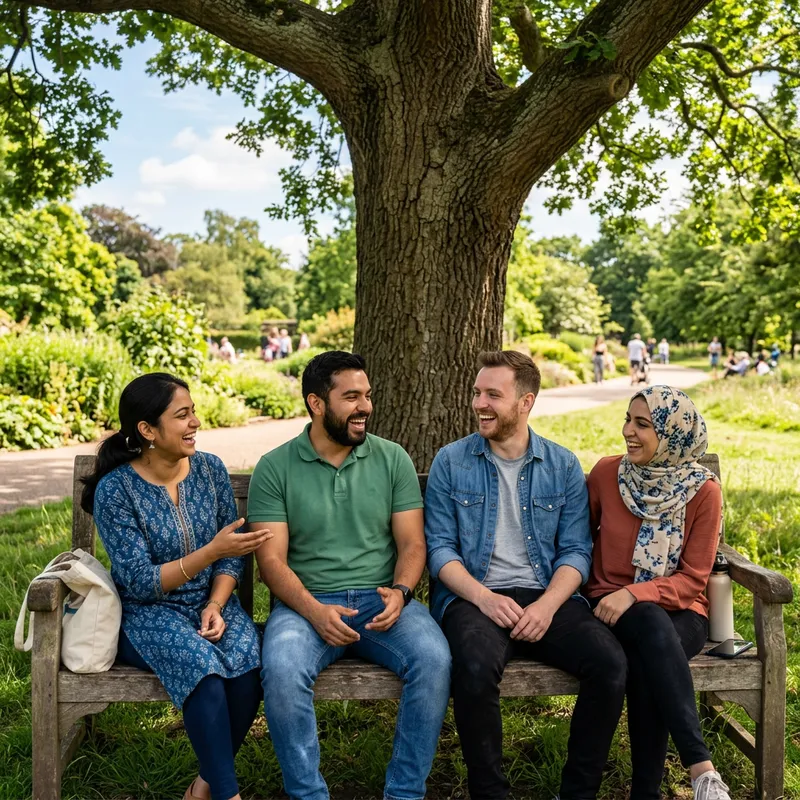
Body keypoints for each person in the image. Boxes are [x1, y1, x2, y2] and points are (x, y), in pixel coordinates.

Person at [425, 350, 628, 800]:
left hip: (546, 595)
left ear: (525, 402)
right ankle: (491, 793)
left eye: (493, 395)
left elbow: (576, 550)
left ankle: (577, 793)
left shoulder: (561, 465)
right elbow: (439, 551)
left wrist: (547, 605)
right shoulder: (451, 461)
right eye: (477, 392)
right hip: (473, 596)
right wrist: (484, 598)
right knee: (474, 669)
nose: (480, 403)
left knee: (611, 666)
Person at [249, 351, 451, 800]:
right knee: (281, 669)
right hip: (306, 604)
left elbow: (413, 545)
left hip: (381, 599)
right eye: (352, 397)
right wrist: (315, 611)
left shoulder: (391, 458)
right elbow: (272, 562)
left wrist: (401, 592)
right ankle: (308, 795)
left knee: (434, 659)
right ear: (317, 404)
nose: (366, 407)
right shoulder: (275, 467)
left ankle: (404, 793)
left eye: (368, 396)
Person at [81, 373, 272, 800]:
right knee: (203, 670)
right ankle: (228, 794)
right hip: (148, 613)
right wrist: (207, 552)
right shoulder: (117, 491)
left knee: (247, 664)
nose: (195, 422)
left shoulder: (209, 469)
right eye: (181, 415)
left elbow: (231, 553)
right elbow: (140, 582)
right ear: (147, 430)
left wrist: (218, 605)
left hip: (210, 603)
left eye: (193, 411)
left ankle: (204, 785)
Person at [585, 385, 730, 800]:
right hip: (608, 605)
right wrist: (619, 596)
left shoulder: (703, 491)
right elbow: (578, 544)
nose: (629, 430)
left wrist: (636, 593)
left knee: (651, 641)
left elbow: (693, 579)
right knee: (649, 626)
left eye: (643, 424)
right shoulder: (605, 476)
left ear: (672, 433)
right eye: (628, 420)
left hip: (682, 612)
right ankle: (700, 770)